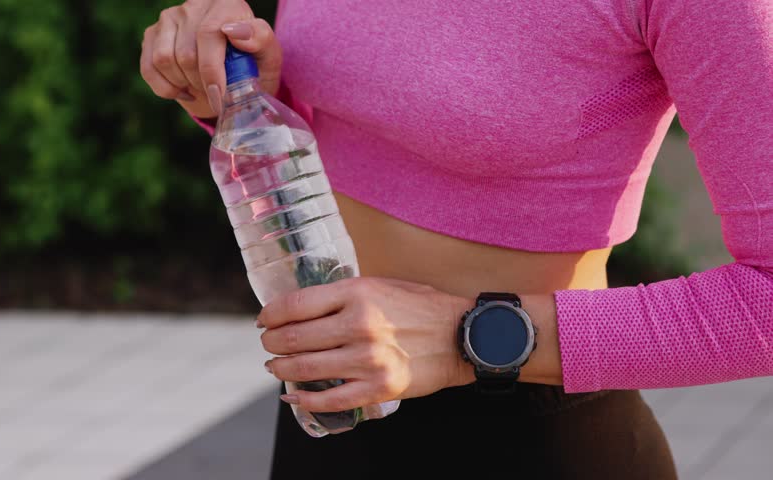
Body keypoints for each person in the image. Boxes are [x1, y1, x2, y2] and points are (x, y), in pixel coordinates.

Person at [140, 1, 772, 478]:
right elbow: (378, 136)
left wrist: (463, 337)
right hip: (332, 417)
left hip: (536, 442)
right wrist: (249, 97)